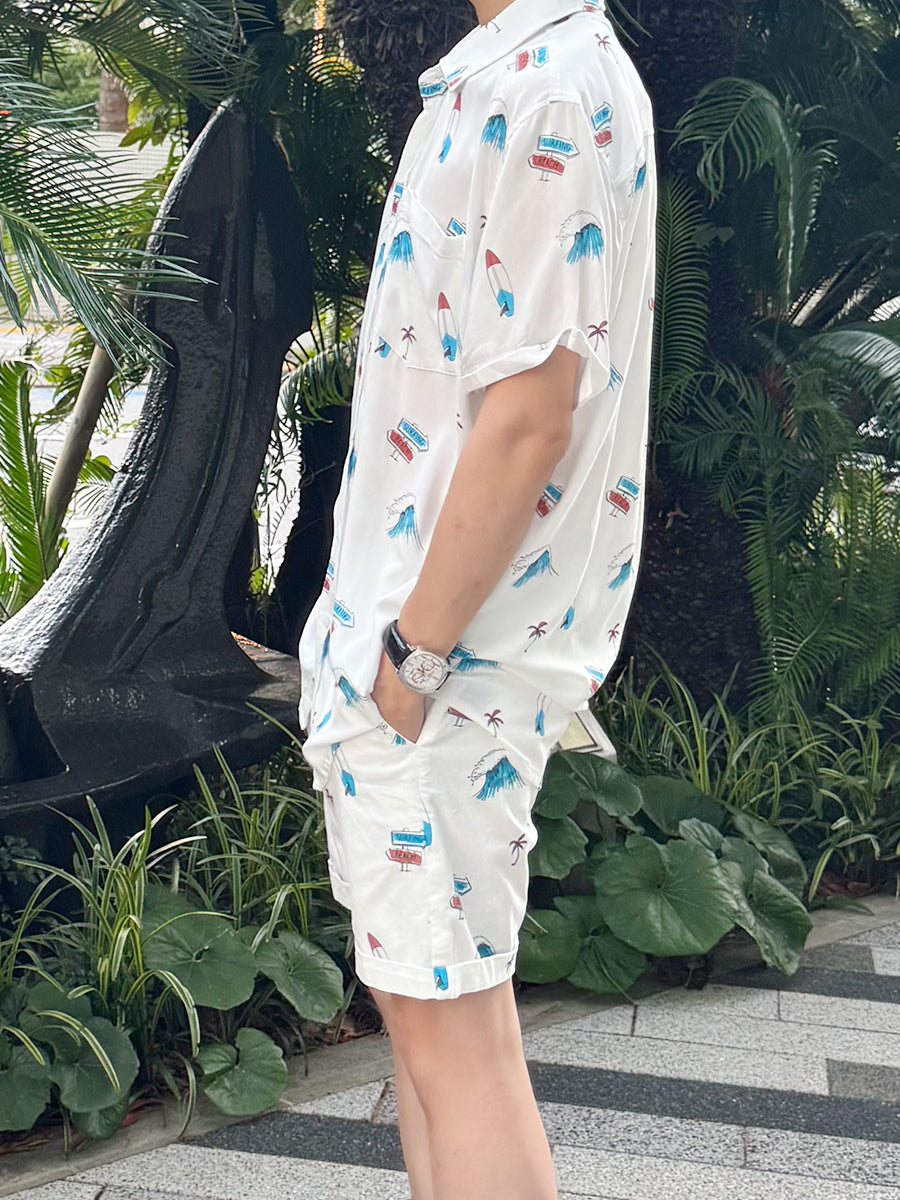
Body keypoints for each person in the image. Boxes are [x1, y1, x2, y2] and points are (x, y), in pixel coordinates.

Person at [297, 0, 656, 1195]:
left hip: (447, 664)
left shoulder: (548, 86)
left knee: (458, 1052)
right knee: (433, 1036)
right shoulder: (518, 76)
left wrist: (414, 656)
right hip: (426, 655)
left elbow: (530, 416)